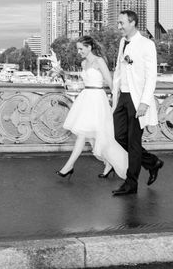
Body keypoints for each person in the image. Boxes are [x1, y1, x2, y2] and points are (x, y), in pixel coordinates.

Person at [54, 36, 128, 180]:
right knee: (95, 137)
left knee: (85, 135)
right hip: (86, 98)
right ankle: (108, 164)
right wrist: (63, 74)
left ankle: (68, 167)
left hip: (97, 100)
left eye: (81, 48)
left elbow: (110, 82)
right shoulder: (83, 63)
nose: (79, 51)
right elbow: (81, 82)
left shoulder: (99, 61)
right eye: (78, 49)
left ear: (89, 47)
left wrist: (116, 102)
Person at [111, 10, 162, 196]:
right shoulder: (122, 42)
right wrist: (114, 93)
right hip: (122, 96)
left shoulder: (147, 44)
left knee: (133, 143)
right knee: (118, 136)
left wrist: (145, 102)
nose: (119, 26)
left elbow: (151, 76)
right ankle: (151, 162)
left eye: (121, 23)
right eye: (118, 23)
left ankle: (131, 183)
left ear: (132, 23)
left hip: (137, 98)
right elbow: (119, 69)